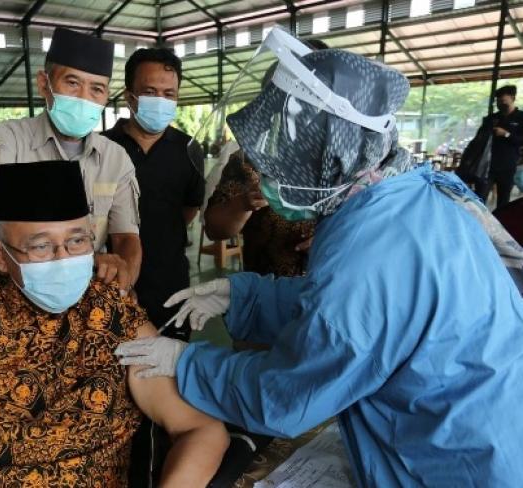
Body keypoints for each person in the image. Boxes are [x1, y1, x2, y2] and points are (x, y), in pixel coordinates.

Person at [115, 28, 523, 486]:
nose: (268, 172)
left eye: (285, 155)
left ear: (330, 155)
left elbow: (289, 395)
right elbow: (355, 311)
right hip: (484, 416)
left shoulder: (372, 246)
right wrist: (243, 295)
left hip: (454, 458)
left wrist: (187, 363)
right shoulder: (399, 196)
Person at [0, 161, 228, 487]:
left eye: (77, 241)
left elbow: (200, 430)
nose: (63, 258)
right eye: (40, 247)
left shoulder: (113, 314)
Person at [0, 27, 142, 292]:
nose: (84, 98)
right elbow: (0, 216)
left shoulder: (115, 158)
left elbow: (126, 237)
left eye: (97, 89)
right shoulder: (6, 140)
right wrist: (83, 259)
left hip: (84, 291)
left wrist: (124, 282)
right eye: (72, 83)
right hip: (14, 291)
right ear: (44, 84)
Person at [103, 47, 205, 339]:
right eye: (150, 91)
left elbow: (189, 208)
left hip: (171, 283)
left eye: (169, 94)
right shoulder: (103, 147)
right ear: (129, 96)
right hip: (112, 281)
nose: (160, 100)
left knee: (170, 367)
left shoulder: (188, 149)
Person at [204, 152, 314, 277]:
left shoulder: (337, 159)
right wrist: (242, 204)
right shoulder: (250, 157)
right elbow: (213, 230)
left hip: (330, 281)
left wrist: (329, 240)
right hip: (265, 283)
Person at [474, 85, 523, 207]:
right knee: (478, 200)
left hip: (508, 167)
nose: (500, 104)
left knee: (503, 203)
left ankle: (499, 225)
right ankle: (477, 224)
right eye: (498, 101)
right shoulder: (492, 118)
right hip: (487, 167)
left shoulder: (521, 117)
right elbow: (479, 139)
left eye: (503, 101)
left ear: (512, 98)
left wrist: (506, 134)